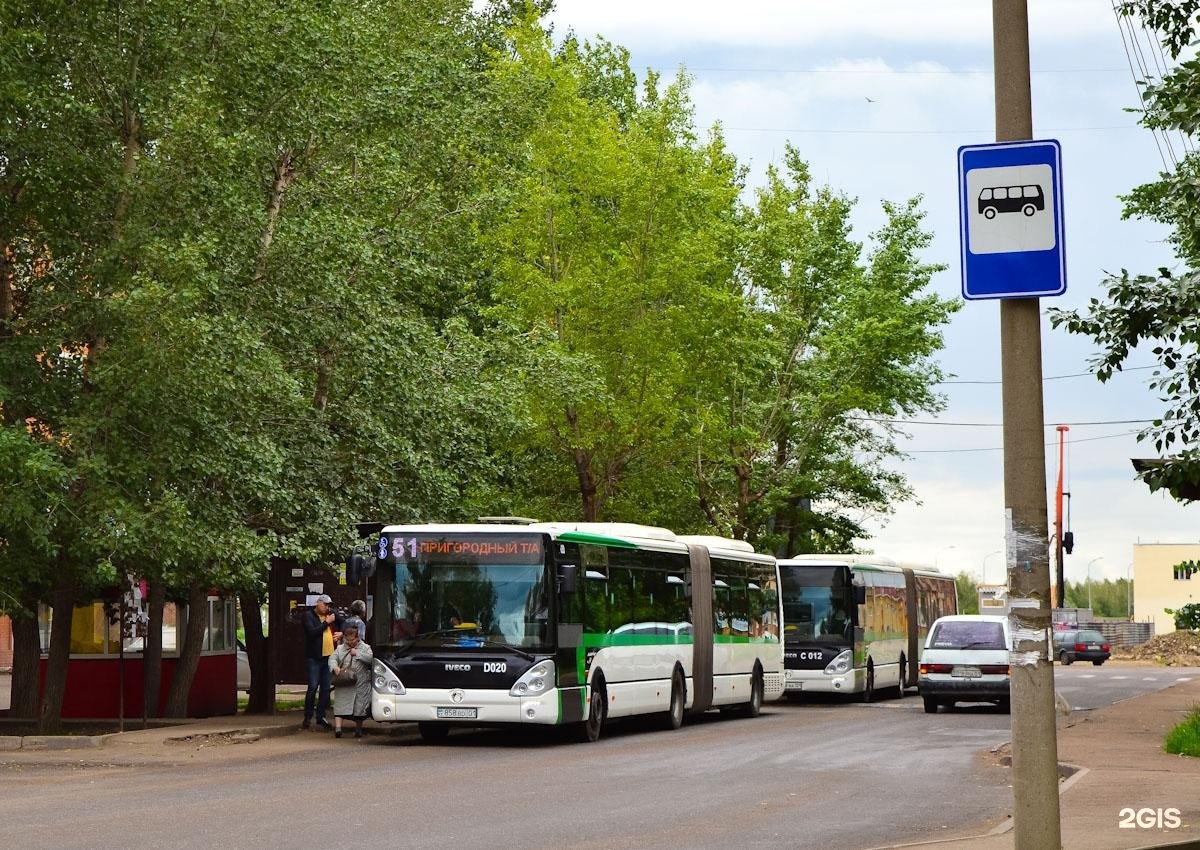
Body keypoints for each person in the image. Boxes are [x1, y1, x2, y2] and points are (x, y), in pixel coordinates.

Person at [302, 594, 343, 731]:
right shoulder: (308, 616)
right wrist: (327, 622)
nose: (327, 607)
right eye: (325, 604)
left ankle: (321, 716)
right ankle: (308, 716)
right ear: (318, 603)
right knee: (313, 687)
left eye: (328, 605)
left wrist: (341, 633)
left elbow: (345, 623)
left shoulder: (331, 614)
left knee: (325, 688)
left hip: (329, 657)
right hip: (314, 657)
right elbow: (312, 633)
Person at [329, 623, 374, 739]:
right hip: (344, 681)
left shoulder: (365, 648)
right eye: (347, 640)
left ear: (358, 638)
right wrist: (335, 667)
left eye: (352, 640)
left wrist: (358, 654)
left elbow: (371, 660)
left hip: (360, 681)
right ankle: (338, 728)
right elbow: (332, 658)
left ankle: (358, 729)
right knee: (340, 704)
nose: (350, 642)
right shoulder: (340, 648)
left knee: (359, 707)